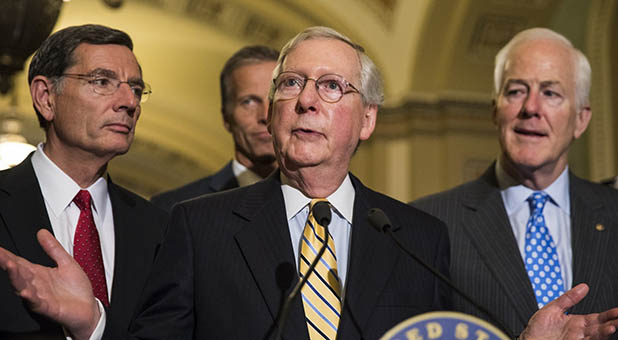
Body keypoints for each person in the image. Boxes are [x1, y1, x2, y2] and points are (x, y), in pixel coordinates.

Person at [3, 26, 618, 340]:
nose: (306, 102)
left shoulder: (418, 237)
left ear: (367, 119)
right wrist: (94, 324)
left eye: (331, 87)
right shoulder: (199, 226)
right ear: (270, 111)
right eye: (290, 85)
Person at [412, 27, 618, 338]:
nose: (531, 108)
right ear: (495, 109)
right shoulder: (426, 225)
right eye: (516, 91)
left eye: (550, 93)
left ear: (581, 119)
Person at [0, 24, 167, 339]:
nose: (128, 102)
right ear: (46, 97)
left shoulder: (163, 230)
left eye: (135, 87)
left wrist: (94, 325)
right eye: (102, 81)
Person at [150, 45, 279, 212]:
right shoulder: (172, 208)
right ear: (226, 117)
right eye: (248, 102)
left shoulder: (318, 199)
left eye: (274, 100)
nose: (265, 115)